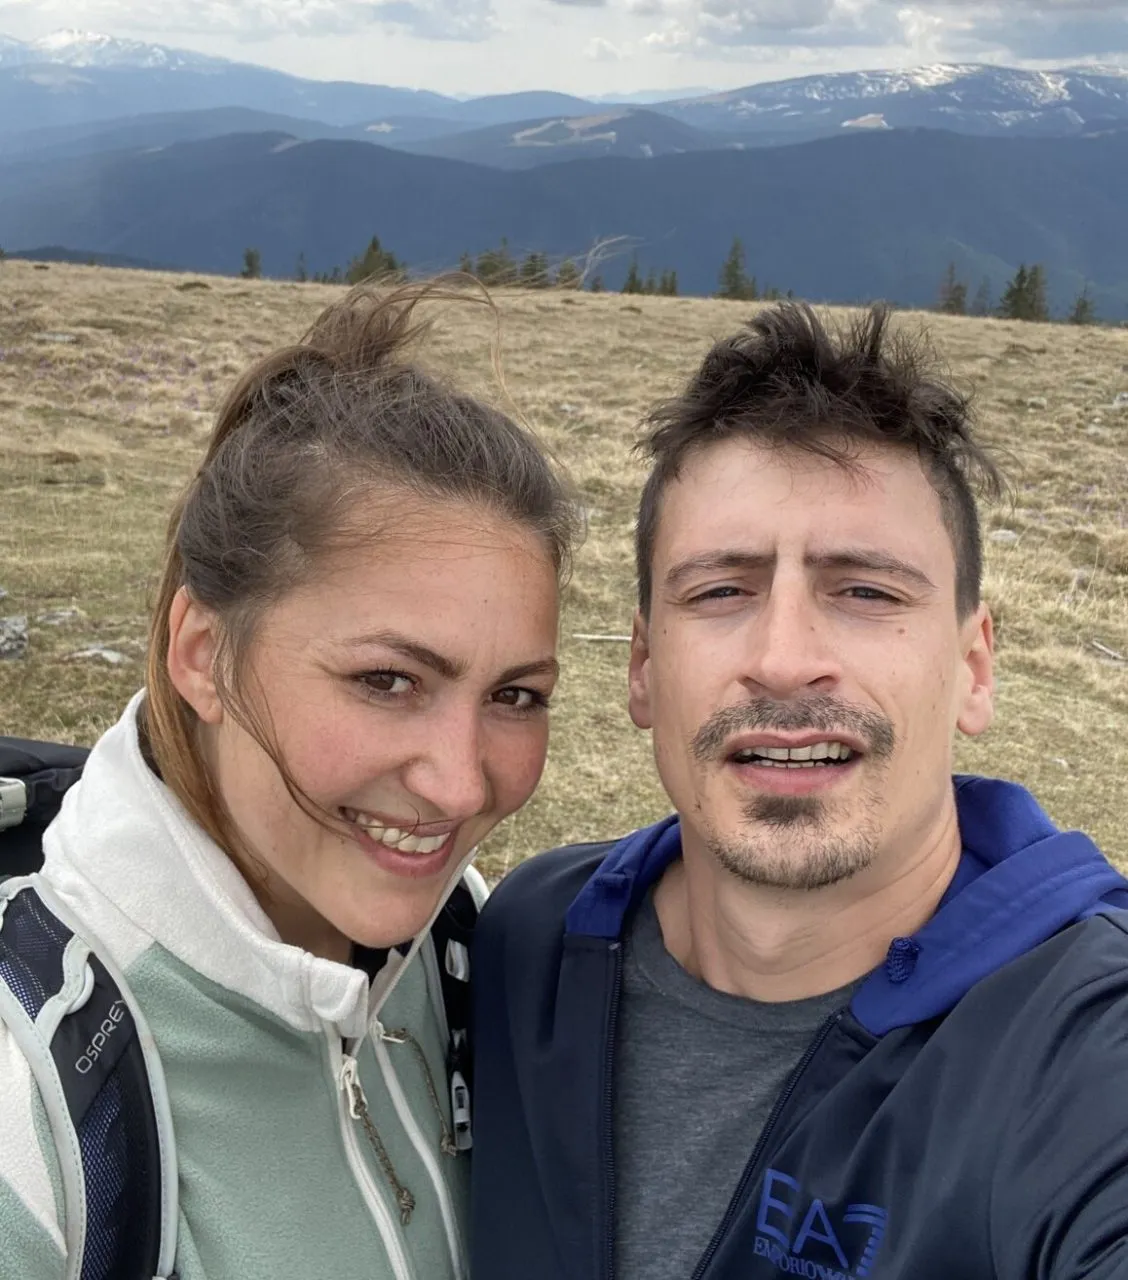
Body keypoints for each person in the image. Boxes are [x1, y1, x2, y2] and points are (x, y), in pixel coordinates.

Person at [470, 302, 1128, 1280]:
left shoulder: (1083, 1051)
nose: (783, 659)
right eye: (720, 591)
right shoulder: (526, 947)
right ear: (644, 665)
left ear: (974, 667)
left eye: (865, 591)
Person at [0, 282, 577, 1280]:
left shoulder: (463, 942)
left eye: (516, 694)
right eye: (386, 679)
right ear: (202, 652)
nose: (456, 784)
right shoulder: (36, 1118)